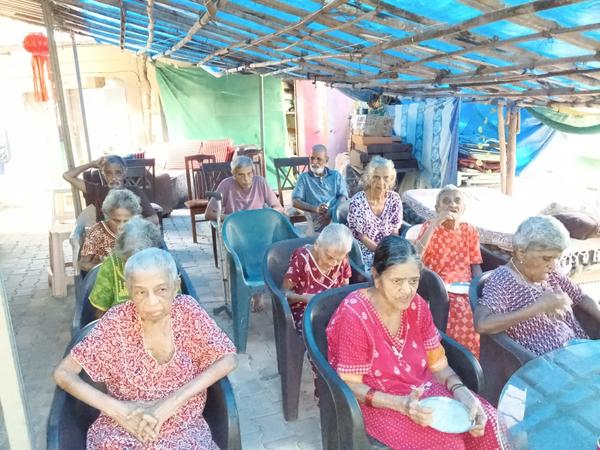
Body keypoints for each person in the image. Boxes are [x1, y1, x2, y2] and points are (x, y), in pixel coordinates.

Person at [326, 236, 500, 450]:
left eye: (413, 281)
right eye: (397, 281)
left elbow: (439, 366)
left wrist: (462, 392)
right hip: (377, 402)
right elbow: (351, 385)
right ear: (377, 277)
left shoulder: (417, 306)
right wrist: (402, 404)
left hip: (424, 389)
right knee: (449, 445)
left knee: (490, 424)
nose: (407, 290)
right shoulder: (354, 314)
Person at [53, 248, 237, 449]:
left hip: (184, 429)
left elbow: (228, 358)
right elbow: (63, 373)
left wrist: (167, 405)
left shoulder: (188, 311)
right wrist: (119, 411)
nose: (151, 302)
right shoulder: (117, 322)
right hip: (125, 429)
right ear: (129, 290)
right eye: (141, 292)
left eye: (161, 290)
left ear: (176, 286)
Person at [475, 216, 600, 356]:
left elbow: (581, 296)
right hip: (547, 363)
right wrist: (537, 308)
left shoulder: (551, 274)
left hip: (578, 350)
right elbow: (482, 323)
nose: (553, 265)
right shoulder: (503, 280)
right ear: (521, 252)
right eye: (546, 258)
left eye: (556, 258)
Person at [415, 185, 482, 358]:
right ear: (438, 208)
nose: (452, 204)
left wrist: (480, 288)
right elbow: (416, 255)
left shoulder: (469, 230)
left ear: (463, 207)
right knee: (461, 311)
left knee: (482, 308)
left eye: (457, 200)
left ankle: (474, 359)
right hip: (438, 284)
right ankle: (455, 358)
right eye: (446, 201)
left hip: (465, 285)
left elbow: (475, 264)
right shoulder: (429, 227)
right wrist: (434, 223)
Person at [283, 223, 353, 334]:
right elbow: (284, 294)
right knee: (317, 331)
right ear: (317, 246)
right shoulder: (301, 259)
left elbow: (344, 290)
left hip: (331, 308)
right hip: (305, 309)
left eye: (338, 259)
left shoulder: (342, 259)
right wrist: (306, 298)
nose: (333, 263)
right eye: (329, 257)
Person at [89, 216, 163, 315]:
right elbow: (100, 310)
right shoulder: (110, 267)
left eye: (142, 262)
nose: (135, 267)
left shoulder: (163, 265)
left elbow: (173, 303)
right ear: (122, 254)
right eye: (129, 260)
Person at [63, 155, 158, 224]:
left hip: (131, 237)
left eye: (118, 173)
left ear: (124, 173)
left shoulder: (135, 191)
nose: (113, 178)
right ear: (103, 175)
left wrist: (131, 226)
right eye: (108, 173)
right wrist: (92, 164)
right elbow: (67, 176)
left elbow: (154, 219)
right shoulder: (98, 190)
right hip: (106, 239)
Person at [347, 156, 402, 269]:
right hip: (365, 254)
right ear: (369, 178)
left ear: (391, 179)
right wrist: (383, 254)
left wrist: (392, 251)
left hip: (388, 251)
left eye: (386, 178)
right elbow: (362, 237)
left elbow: (394, 230)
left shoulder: (394, 199)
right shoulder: (357, 202)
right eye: (376, 177)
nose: (381, 182)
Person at [78, 189, 142, 272]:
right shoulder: (98, 232)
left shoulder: (138, 230)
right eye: (116, 220)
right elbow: (83, 263)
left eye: (127, 221)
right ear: (107, 215)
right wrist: (106, 269)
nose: (121, 226)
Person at [204, 155, 283, 221]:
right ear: (234, 175)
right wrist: (231, 218)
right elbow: (208, 214)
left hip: (258, 225)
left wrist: (265, 215)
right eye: (241, 175)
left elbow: (279, 208)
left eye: (249, 173)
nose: (246, 179)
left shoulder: (260, 182)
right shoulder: (226, 184)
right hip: (235, 228)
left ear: (253, 172)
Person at [292, 144, 348, 232]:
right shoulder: (304, 178)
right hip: (317, 222)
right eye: (312, 158)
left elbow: (343, 197)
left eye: (319, 159)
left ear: (326, 160)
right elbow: (295, 202)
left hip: (335, 218)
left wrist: (330, 212)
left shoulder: (335, 175)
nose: (314, 162)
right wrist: (316, 209)